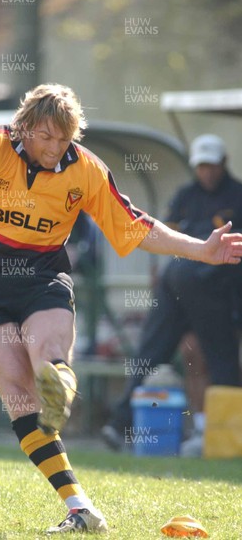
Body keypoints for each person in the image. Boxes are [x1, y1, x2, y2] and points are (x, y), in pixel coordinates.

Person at [0, 86, 242, 534]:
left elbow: (135, 225)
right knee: (17, 393)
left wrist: (201, 250)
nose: (53, 148)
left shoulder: (83, 170)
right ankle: (80, 506)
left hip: (42, 280)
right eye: (45, 137)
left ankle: (59, 384)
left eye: (63, 139)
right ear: (24, 127)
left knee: (46, 355)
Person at [102, 134, 242, 456]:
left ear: (223, 164)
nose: (206, 172)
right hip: (180, 280)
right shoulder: (184, 196)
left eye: (211, 165)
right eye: (201, 166)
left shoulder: (238, 195)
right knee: (162, 351)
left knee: (210, 356)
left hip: (218, 287)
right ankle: (123, 424)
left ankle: (217, 433)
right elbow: (160, 236)